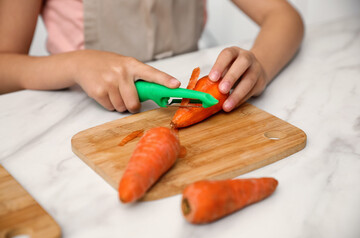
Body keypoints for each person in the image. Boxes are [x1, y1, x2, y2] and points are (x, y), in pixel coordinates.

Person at [0, 0, 304, 113]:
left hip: (183, 102)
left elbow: (282, 14)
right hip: (74, 113)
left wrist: (260, 65)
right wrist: (75, 63)